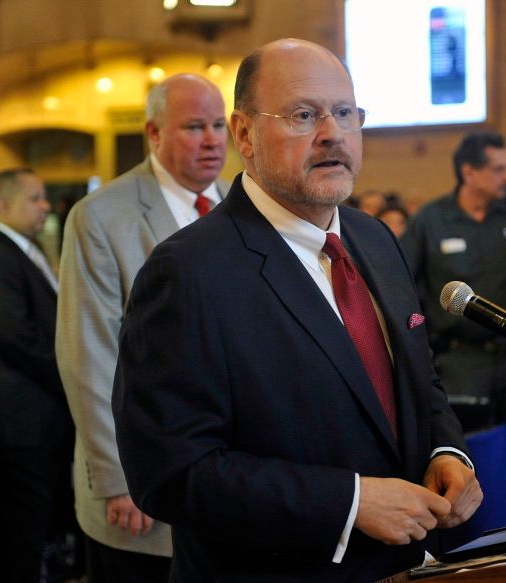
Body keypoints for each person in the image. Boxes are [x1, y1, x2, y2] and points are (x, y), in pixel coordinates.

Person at [112, 38, 482, 582]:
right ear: (244, 135)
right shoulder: (187, 272)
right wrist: (350, 503)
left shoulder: (374, 239)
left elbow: (419, 381)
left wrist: (447, 450)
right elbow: (170, 472)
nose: (332, 133)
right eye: (303, 115)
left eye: (344, 113)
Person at [55, 73, 230, 583]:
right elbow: (88, 355)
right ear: (153, 134)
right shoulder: (102, 217)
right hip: (139, 487)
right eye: (194, 126)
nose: (212, 139)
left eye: (219, 124)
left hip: (223, 486)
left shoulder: (242, 209)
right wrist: (116, 478)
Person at [400, 131, 506, 522]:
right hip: (460, 360)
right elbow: (403, 278)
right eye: (498, 170)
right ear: (469, 172)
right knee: (464, 456)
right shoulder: (432, 219)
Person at [0, 168, 75, 582]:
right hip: (17, 424)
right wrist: (71, 378)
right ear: (4, 204)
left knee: (38, 527)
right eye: (36, 198)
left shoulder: (22, 248)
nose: (46, 206)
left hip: (38, 418)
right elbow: (16, 339)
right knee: (19, 536)